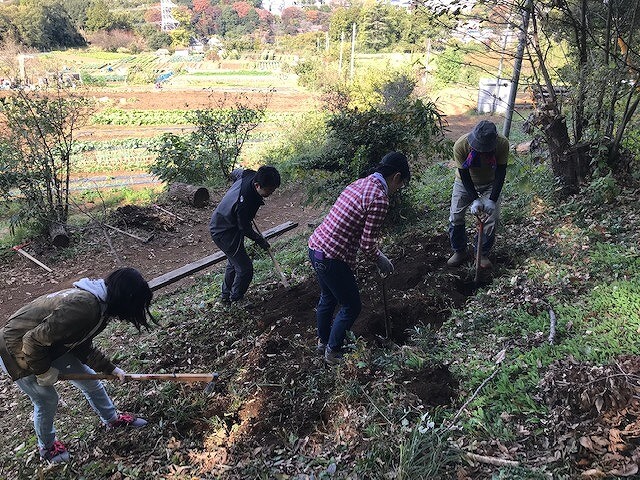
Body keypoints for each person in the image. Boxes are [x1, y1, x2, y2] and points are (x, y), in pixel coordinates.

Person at [0, 267, 156, 465]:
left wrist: (109, 368)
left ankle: (112, 419)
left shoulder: (100, 306)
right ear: (126, 298)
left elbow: (79, 343)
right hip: (15, 348)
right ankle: (47, 447)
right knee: (47, 400)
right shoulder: (85, 306)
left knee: (91, 382)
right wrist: (43, 371)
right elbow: (32, 340)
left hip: (47, 346)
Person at [308, 152, 410, 365]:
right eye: (400, 185)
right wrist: (380, 259)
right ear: (396, 177)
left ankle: (322, 342)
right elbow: (367, 244)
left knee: (327, 297)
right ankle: (333, 352)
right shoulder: (379, 198)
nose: (397, 190)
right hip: (332, 257)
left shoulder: (360, 183)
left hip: (315, 247)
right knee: (351, 306)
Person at [209, 165, 281, 304]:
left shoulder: (249, 174)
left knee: (234, 263)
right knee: (245, 268)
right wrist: (260, 241)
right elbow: (245, 228)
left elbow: (235, 173)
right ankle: (236, 299)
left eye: (273, 189)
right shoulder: (245, 203)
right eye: (269, 190)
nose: (271, 193)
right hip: (224, 231)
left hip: (229, 224)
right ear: (257, 185)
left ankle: (226, 297)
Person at [447, 120, 509, 269]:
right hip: (464, 182)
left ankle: (481, 254)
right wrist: (475, 199)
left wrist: (492, 200)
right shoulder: (460, 146)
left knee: (491, 218)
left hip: (490, 182)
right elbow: (464, 174)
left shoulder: (502, 144)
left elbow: (501, 172)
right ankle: (460, 251)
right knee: (456, 215)